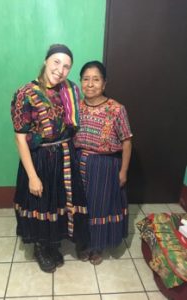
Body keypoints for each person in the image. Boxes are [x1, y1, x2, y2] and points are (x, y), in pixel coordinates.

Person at [11, 44, 89, 273]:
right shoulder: (25, 93)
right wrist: (32, 176)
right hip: (39, 160)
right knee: (41, 201)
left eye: (67, 66)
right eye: (56, 62)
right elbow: (20, 139)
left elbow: (71, 127)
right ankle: (40, 247)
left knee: (59, 202)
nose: (60, 69)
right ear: (46, 61)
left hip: (64, 156)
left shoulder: (71, 90)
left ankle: (52, 243)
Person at [74, 61, 132, 265]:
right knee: (81, 206)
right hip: (78, 162)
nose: (90, 84)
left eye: (96, 79)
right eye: (86, 79)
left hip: (105, 167)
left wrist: (123, 171)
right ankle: (82, 242)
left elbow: (126, 141)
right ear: (81, 82)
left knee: (100, 207)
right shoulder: (75, 107)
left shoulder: (117, 109)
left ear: (104, 83)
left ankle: (97, 246)